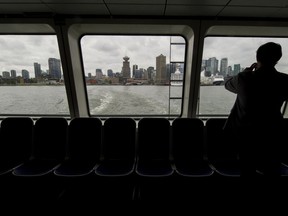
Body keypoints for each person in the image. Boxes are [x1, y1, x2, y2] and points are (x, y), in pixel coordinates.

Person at [223, 42, 288, 176]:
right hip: (272, 132)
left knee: (247, 170)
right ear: (277, 59)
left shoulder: (244, 78)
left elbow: (227, 84)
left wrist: (246, 72)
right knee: (272, 170)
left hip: (247, 134)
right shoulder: (284, 80)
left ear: (257, 58)